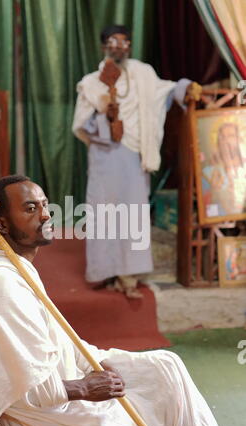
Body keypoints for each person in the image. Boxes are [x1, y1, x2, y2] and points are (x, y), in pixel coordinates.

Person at [0, 175, 223, 426]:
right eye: (30, 209)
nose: (45, 215)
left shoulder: (16, 268)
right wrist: (85, 388)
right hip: (43, 421)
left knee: (167, 366)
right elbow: (32, 389)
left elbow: (64, 342)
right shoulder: (1, 282)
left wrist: (102, 364)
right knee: (165, 410)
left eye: (45, 205)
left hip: (59, 395)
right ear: (1, 224)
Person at [72, 24, 201, 298]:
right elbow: (82, 124)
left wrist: (186, 88)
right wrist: (105, 116)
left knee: (132, 214)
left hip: (132, 155)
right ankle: (105, 272)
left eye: (124, 42)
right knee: (105, 214)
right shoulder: (91, 82)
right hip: (104, 156)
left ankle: (129, 278)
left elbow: (165, 92)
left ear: (130, 46)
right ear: (103, 46)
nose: (118, 47)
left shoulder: (143, 74)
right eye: (112, 42)